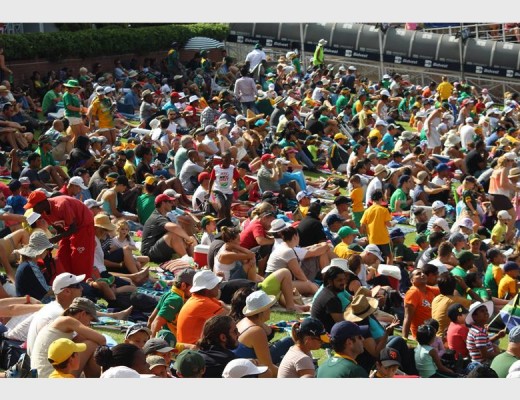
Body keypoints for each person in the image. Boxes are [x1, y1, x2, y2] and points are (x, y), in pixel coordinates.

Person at [25, 190, 96, 279]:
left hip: (83, 226)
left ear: (43, 202)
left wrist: (54, 239)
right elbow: (61, 230)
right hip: (69, 228)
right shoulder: (43, 212)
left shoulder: (61, 205)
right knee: (61, 255)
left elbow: (73, 229)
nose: (34, 210)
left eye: (34, 207)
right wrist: (50, 243)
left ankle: (82, 282)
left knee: (79, 257)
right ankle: (68, 280)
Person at [30, 297, 106, 378]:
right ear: (83, 314)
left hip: (41, 374)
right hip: (50, 374)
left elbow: (76, 342)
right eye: (90, 320)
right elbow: (102, 340)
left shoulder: (61, 322)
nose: (89, 324)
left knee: (87, 341)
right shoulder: (68, 321)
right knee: (92, 345)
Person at [232, 290, 292, 378]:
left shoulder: (245, 321)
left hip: (239, 367)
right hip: (247, 373)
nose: (270, 311)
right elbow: (268, 368)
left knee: (287, 341)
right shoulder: (257, 331)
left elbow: (269, 332)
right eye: (269, 308)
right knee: (289, 341)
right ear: (262, 311)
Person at [140, 193, 197, 264]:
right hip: (149, 253)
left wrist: (188, 239)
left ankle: (195, 262)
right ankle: (187, 261)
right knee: (174, 235)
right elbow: (175, 228)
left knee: (189, 239)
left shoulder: (164, 216)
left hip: (158, 249)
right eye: (169, 202)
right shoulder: (157, 216)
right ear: (163, 203)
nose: (172, 204)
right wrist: (188, 239)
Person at [176, 270, 227, 345]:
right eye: (217, 284)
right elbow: (229, 318)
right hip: (194, 348)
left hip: (191, 345)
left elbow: (225, 309)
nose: (218, 287)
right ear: (208, 288)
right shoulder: (203, 303)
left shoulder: (199, 298)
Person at [266, 225, 319, 296]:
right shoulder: (288, 250)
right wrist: (308, 283)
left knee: (313, 285)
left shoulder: (283, 246)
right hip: (276, 283)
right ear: (295, 236)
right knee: (310, 286)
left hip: (275, 280)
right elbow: (298, 273)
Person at [14, 231, 56, 301]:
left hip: (29, 302)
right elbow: (46, 290)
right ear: (42, 250)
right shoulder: (31, 267)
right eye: (47, 249)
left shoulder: (27, 264)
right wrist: (63, 288)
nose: (48, 252)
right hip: (33, 305)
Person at [402, 268, 440, 339]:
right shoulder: (413, 293)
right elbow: (407, 317)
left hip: (433, 331)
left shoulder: (429, 289)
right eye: (418, 274)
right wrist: (404, 338)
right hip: (422, 335)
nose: (422, 275)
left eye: (423, 273)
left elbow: (448, 291)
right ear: (412, 280)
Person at [360, 190, 393, 264]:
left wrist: (365, 235)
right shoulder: (384, 210)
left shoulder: (367, 211)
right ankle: (388, 269)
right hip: (383, 239)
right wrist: (393, 223)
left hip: (372, 239)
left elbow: (362, 225)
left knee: (375, 258)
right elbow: (388, 224)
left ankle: (374, 269)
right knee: (389, 256)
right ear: (381, 199)